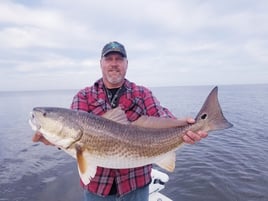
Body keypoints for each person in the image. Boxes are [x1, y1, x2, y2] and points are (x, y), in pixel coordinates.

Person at [32, 41, 208, 201]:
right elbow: (68, 136)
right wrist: (54, 141)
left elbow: (162, 118)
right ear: (101, 64)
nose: (114, 63)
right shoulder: (83, 96)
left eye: (119, 59)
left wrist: (187, 127)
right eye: (109, 59)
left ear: (126, 64)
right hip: (97, 191)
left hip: (136, 187)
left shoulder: (142, 93)